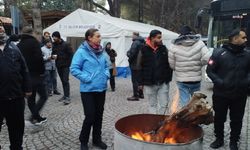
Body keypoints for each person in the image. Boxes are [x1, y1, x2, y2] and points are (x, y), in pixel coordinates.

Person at [207, 29, 250, 150]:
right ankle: (219, 139)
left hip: (239, 94)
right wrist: (220, 82)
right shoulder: (218, 53)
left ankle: (234, 141)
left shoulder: (247, 54)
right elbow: (209, 71)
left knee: (237, 119)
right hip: (221, 94)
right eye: (243, 37)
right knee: (219, 118)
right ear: (235, 39)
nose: (246, 39)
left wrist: (246, 81)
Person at [70, 28, 109, 150]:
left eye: (100, 36)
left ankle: (97, 139)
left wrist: (106, 75)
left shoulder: (102, 52)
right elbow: (74, 69)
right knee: (90, 116)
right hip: (88, 90)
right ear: (89, 38)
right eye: (97, 36)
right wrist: (87, 78)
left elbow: (107, 66)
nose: (100, 38)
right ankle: (83, 140)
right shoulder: (81, 52)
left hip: (101, 88)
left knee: (99, 115)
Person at [0, 26, 32, 150]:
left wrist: (28, 87)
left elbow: (24, 69)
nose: (0, 30)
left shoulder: (14, 48)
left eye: (1, 28)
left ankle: (16, 147)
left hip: (16, 96)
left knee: (17, 127)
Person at [168, 25, 211, 107]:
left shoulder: (174, 46)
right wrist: (199, 64)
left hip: (182, 79)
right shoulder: (199, 43)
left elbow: (172, 65)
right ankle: (196, 118)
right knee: (196, 102)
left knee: (185, 102)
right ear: (191, 33)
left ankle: (186, 118)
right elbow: (207, 58)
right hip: (196, 79)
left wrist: (178, 68)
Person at [18, 26, 48, 125]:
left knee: (31, 98)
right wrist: (42, 72)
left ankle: (37, 118)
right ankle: (33, 117)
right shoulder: (34, 42)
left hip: (25, 76)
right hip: (35, 74)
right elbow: (39, 59)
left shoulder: (19, 45)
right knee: (43, 96)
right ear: (32, 33)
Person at [138, 30, 172, 114]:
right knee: (152, 105)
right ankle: (154, 124)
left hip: (163, 83)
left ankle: (161, 124)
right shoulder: (143, 49)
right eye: (158, 37)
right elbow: (139, 67)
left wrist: (168, 78)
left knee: (164, 105)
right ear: (152, 38)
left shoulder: (164, 49)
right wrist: (140, 83)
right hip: (149, 83)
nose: (161, 39)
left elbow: (170, 64)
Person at [52, 31, 73, 105]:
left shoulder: (66, 44)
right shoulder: (54, 45)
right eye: (53, 37)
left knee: (65, 80)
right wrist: (53, 56)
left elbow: (71, 54)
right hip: (58, 65)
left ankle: (67, 97)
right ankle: (65, 95)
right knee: (62, 81)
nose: (53, 38)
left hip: (66, 65)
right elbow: (53, 54)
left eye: (55, 37)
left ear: (58, 37)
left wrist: (69, 64)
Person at [127, 32, 145, 101]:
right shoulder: (143, 42)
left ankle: (135, 95)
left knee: (135, 80)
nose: (131, 36)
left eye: (132, 35)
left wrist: (128, 55)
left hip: (135, 65)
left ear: (135, 35)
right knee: (140, 80)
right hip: (141, 64)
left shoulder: (135, 43)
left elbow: (132, 53)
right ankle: (141, 94)